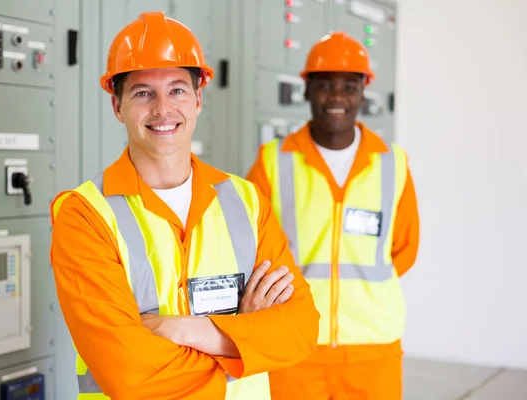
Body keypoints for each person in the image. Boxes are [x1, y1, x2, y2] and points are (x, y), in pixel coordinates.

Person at [49, 11, 319, 400]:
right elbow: (128, 373)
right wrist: (246, 335)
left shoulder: (245, 200)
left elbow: (301, 329)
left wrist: (195, 331)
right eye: (143, 92)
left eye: (176, 90)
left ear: (198, 99)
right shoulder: (85, 215)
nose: (162, 109)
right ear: (117, 106)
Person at [245, 31, 420, 399]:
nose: (337, 97)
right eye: (325, 85)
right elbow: (249, 248)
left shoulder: (393, 163)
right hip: (296, 346)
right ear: (307, 91)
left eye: (349, 86)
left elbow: (405, 247)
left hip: (374, 347)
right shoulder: (273, 162)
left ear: (362, 93)